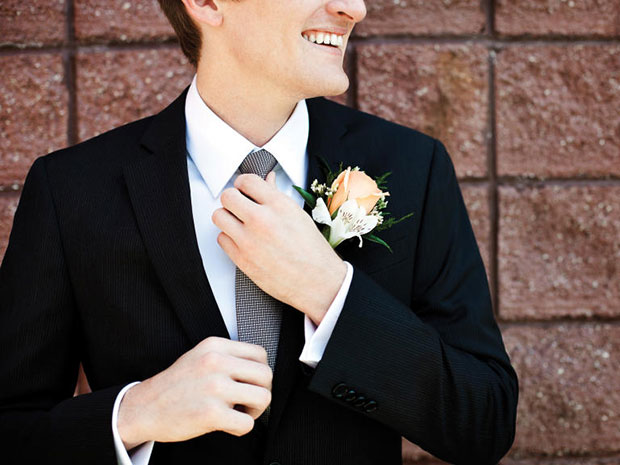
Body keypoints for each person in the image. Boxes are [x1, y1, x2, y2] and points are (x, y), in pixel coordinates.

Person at [0, 0, 518, 464]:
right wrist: (133, 414)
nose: (354, 7)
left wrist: (330, 294)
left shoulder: (412, 168)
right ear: (207, 3)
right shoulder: (72, 190)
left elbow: (484, 422)